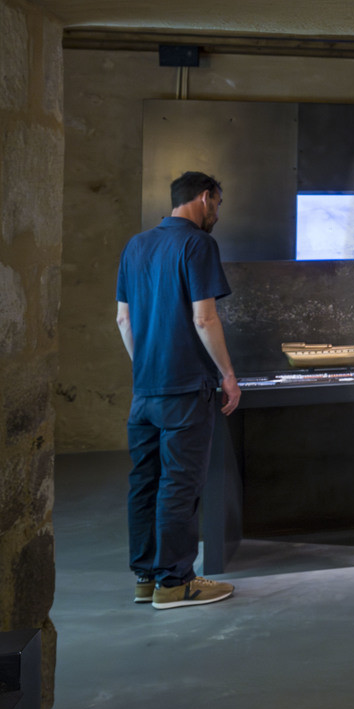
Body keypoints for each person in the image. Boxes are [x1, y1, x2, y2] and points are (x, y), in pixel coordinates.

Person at [115, 171, 242, 609]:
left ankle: (146, 579)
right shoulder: (198, 244)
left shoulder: (136, 245)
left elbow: (123, 320)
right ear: (205, 198)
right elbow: (204, 319)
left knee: (144, 484)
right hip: (187, 389)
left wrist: (147, 367)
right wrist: (227, 374)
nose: (218, 214)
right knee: (179, 485)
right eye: (218, 204)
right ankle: (177, 582)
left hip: (145, 391)